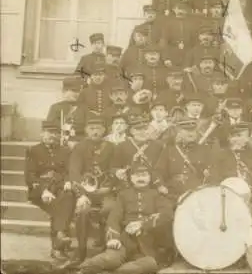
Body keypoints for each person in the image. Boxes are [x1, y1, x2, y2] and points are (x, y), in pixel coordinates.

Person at [75, 160, 176, 274]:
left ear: (149, 178)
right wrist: (114, 238)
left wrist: (142, 224)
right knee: (109, 259)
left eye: (144, 175)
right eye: (136, 175)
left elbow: (167, 214)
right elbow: (114, 218)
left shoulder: (157, 195)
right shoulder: (123, 195)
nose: (140, 178)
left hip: (148, 246)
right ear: (131, 178)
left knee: (145, 265)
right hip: (124, 241)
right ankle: (81, 270)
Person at [66, 117, 115, 265]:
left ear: (104, 130)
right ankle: (81, 251)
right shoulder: (79, 147)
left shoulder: (112, 147)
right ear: (87, 130)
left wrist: (109, 187)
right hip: (85, 191)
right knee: (82, 211)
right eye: (92, 128)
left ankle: (107, 249)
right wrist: (81, 194)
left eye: (98, 128)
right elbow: (74, 172)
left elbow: (114, 169)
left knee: (109, 209)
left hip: (106, 190)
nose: (95, 131)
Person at [24, 121, 75, 260]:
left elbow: (70, 170)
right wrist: (43, 191)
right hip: (40, 188)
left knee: (69, 196)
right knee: (59, 204)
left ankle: (59, 238)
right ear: (42, 134)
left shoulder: (65, 150)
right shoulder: (32, 150)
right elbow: (30, 175)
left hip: (60, 186)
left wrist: (68, 181)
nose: (53, 136)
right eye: (49, 132)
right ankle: (59, 242)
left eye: (56, 133)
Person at [155, 118, 216, 201]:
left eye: (193, 130)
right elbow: (158, 171)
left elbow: (212, 171)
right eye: (186, 130)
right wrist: (160, 185)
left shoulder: (204, 149)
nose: (191, 133)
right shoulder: (169, 150)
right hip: (172, 194)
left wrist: (208, 174)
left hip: (197, 193)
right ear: (179, 132)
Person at [46, 76, 85, 147]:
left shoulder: (84, 108)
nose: (77, 94)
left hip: (80, 146)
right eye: (73, 91)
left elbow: (88, 130)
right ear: (64, 91)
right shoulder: (55, 108)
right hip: (60, 145)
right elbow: (49, 130)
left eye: (78, 91)